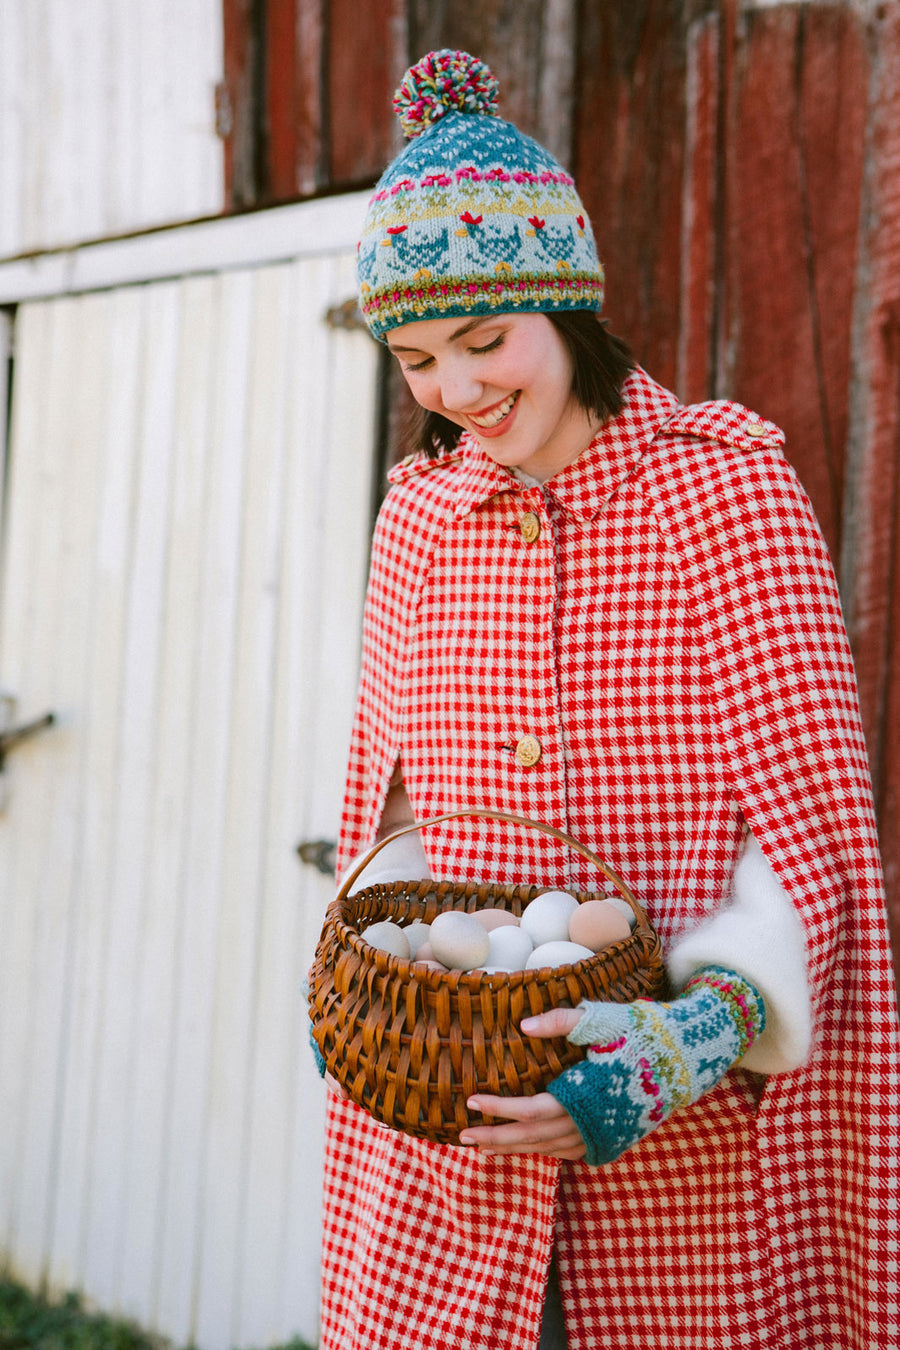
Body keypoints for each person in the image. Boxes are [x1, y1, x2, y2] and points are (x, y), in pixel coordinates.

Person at [310, 49, 900, 1350]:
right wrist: (364, 987)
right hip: (450, 1156)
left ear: (566, 306)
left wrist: (676, 1048)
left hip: (684, 1170)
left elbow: (812, 850)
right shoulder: (417, 521)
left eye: (484, 340)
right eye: (415, 361)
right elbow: (390, 818)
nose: (457, 395)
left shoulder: (724, 495)